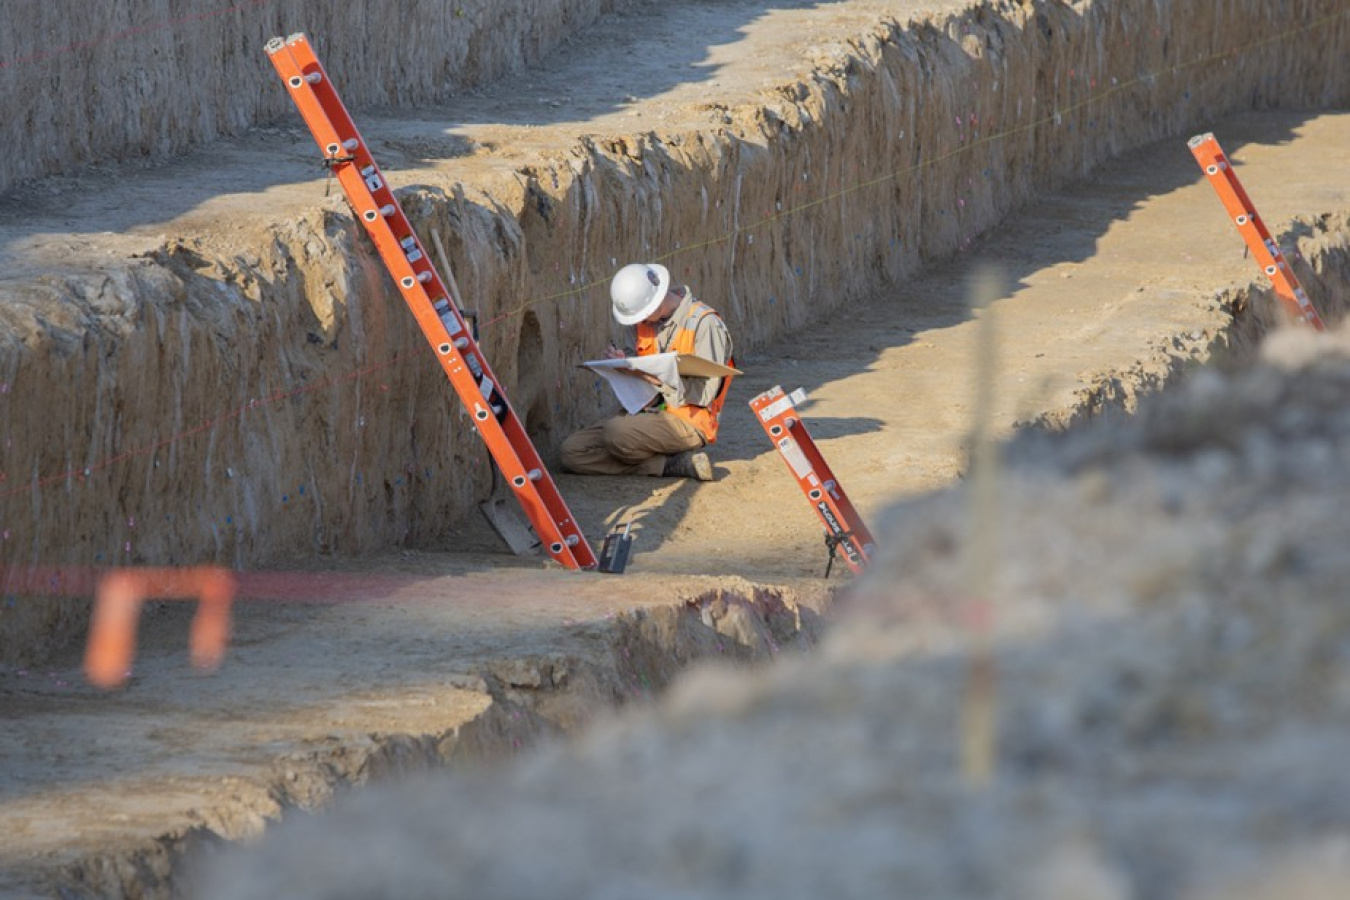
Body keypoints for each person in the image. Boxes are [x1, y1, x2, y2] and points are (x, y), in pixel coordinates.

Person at [560, 262, 734, 481]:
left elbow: (705, 394)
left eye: (640, 317)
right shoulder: (647, 323)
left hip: (689, 421)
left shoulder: (705, 324)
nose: (639, 323)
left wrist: (654, 378)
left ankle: (660, 452)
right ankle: (669, 465)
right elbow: (640, 361)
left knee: (617, 433)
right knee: (572, 452)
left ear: (656, 304)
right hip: (647, 412)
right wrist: (624, 363)